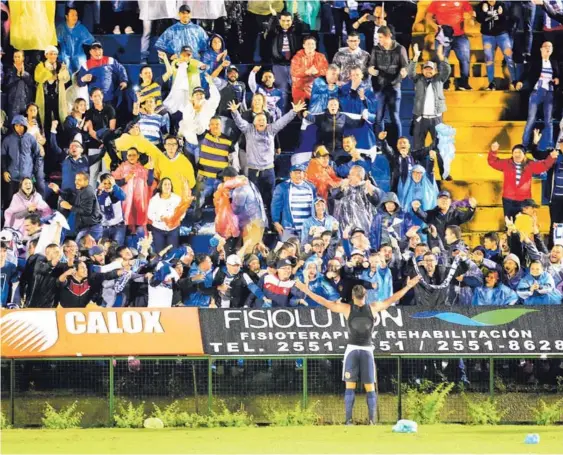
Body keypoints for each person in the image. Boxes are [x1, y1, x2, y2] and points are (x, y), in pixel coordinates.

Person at [294, 276, 420, 424]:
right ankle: (372, 421)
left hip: (352, 351)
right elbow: (392, 299)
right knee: (370, 387)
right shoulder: (373, 307)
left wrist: (305, 290)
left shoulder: (347, 308)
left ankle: (348, 421)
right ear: (365, 295)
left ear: (352, 296)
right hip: (367, 350)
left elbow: (324, 302)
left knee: (350, 387)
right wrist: (408, 286)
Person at [229, 99, 305, 214]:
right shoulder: (249, 130)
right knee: (254, 199)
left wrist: (293, 111)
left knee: (270, 199)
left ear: (267, 122)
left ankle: (271, 222)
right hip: (253, 171)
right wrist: (235, 112)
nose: (261, 121)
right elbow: (240, 122)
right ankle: (257, 223)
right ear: (254, 123)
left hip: (269, 170)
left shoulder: (271, 129)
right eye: (259, 120)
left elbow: (283, 121)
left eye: (264, 120)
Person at [488, 141, 557, 218]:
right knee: (509, 223)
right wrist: (493, 151)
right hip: (508, 199)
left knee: (524, 223)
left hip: (524, 201)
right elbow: (493, 162)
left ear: (524, 154)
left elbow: (543, 166)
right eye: (515, 152)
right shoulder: (506, 163)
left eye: (520, 152)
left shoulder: (530, 164)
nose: (517, 155)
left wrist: (551, 157)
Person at [367, 26, 408, 139]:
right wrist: (370, 70)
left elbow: (405, 66)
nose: (379, 40)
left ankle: (398, 142)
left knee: (394, 116)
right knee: (378, 117)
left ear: (388, 36)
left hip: (394, 86)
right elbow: (371, 65)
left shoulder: (400, 49)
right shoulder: (376, 49)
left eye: (381, 37)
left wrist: (404, 71)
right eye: (378, 37)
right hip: (379, 87)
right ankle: (380, 143)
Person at [408, 44, 451, 150]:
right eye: (426, 69)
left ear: (435, 70)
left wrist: (441, 57)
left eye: (431, 69)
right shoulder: (418, 79)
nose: (428, 71)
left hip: (436, 118)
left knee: (439, 147)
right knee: (418, 147)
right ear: (422, 70)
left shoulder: (439, 79)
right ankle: (419, 166)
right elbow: (410, 73)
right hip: (420, 117)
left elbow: (447, 70)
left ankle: (440, 166)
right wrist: (416, 57)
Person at [517, 41, 559, 149]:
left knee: (548, 120)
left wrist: (557, 80)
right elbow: (526, 72)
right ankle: (524, 144)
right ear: (541, 49)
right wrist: (520, 81)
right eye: (546, 46)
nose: (548, 48)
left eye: (550, 46)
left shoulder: (554, 62)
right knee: (531, 118)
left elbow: (557, 76)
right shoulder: (535, 62)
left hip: (549, 92)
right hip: (537, 91)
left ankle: (550, 145)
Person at [426, 0, 474, 90]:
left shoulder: (462, 1)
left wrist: (471, 18)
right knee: (441, 60)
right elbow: (428, 17)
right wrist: (436, 27)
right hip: (442, 36)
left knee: (465, 59)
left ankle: (463, 83)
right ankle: (444, 83)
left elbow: (471, 11)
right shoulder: (436, 2)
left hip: (460, 35)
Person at [303, 99, 368, 163]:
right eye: (331, 104)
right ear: (327, 106)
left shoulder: (343, 117)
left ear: (338, 106)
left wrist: (363, 119)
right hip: (324, 149)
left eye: (335, 104)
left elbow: (356, 124)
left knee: (345, 166)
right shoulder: (321, 117)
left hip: (339, 151)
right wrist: (304, 113)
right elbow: (310, 118)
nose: (333, 106)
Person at [264, 10, 303, 111]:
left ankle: (299, 114)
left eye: (288, 20)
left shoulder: (295, 31)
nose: (286, 23)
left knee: (298, 91)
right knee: (282, 92)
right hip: (278, 65)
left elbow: (300, 27)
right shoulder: (274, 31)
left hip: (294, 65)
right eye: (284, 20)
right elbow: (270, 31)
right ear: (279, 21)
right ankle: (282, 115)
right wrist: (273, 17)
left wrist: (296, 14)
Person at [1, 116, 44, 207]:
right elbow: (3, 156)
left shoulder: (30, 139)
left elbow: (38, 155)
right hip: (12, 177)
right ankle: (8, 221)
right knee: (10, 202)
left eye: (21, 125)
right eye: (16, 126)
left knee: (27, 204)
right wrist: (4, 171)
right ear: (13, 126)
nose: (19, 128)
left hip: (27, 178)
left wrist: (34, 171)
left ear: (25, 126)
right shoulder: (7, 140)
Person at [195, 118, 235, 215]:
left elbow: (232, 160)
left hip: (220, 178)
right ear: (208, 126)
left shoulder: (228, 141)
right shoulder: (203, 136)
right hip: (204, 177)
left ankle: (222, 225)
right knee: (199, 202)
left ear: (221, 126)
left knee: (222, 203)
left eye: (217, 124)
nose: (215, 126)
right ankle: (196, 225)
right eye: (212, 124)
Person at [112, 147, 154, 236]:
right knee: (127, 228)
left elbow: (150, 183)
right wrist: (124, 180)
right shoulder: (122, 168)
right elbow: (113, 183)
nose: (131, 157)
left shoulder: (142, 169)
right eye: (129, 155)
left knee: (140, 230)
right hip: (126, 204)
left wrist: (151, 170)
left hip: (139, 204)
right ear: (126, 156)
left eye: (134, 155)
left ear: (138, 156)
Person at [475, 1, 516, 91]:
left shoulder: (502, 4)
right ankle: (491, 83)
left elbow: (508, 19)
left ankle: (514, 81)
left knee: (509, 57)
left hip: (502, 35)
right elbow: (479, 19)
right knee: (489, 59)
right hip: (487, 36)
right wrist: (484, 12)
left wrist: (502, 14)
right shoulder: (481, 5)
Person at [52, 172, 103, 244]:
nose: (76, 182)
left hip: (91, 228)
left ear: (86, 181)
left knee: (79, 247)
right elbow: (73, 198)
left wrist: (69, 207)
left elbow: (87, 211)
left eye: (79, 180)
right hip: (87, 227)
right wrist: (58, 191)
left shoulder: (87, 192)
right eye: (76, 179)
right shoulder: (82, 189)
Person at [332, 165, 383, 235]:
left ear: (359, 176)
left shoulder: (367, 187)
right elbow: (334, 196)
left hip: (363, 227)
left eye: (351, 174)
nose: (348, 177)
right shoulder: (346, 186)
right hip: (347, 226)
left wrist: (370, 192)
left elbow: (376, 202)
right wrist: (341, 188)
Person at [271, 164, 317, 241]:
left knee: (306, 250)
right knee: (289, 249)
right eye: (295, 173)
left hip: (307, 228)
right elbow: (275, 206)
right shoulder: (282, 187)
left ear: (304, 174)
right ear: (290, 174)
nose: (297, 175)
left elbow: (315, 205)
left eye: (300, 173)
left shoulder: (311, 187)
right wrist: (276, 222)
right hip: (289, 227)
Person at [412, 190, 477, 243]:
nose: (444, 201)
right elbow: (422, 214)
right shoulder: (431, 214)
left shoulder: (456, 213)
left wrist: (472, 208)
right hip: (435, 246)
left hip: (452, 247)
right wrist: (416, 208)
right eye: (441, 199)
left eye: (446, 199)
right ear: (437, 201)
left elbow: (466, 217)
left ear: (450, 201)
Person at [34, 46, 70, 132]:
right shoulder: (41, 65)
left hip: (57, 96)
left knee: (59, 117)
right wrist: (50, 75)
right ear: (46, 55)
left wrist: (57, 75)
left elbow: (66, 78)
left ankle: (60, 139)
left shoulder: (61, 65)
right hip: (45, 96)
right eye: (50, 54)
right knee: (46, 118)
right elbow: (38, 78)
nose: (53, 56)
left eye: (55, 54)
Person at [58, 260, 122, 308]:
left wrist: (119, 272)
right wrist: (66, 274)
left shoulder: (90, 280)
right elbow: (60, 281)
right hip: (64, 315)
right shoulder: (69, 281)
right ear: (75, 270)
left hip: (83, 314)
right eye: (83, 267)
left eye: (86, 267)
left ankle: (118, 281)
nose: (86, 270)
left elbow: (106, 275)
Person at [56, 6, 95, 74]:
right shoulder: (61, 28)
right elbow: (56, 42)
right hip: (64, 56)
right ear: (67, 16)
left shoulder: (81, 28)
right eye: (72, 15)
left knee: (82, 71)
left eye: (76, 15)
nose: (75, 17)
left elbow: (91, 40)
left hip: (79, 55)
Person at [148, 177, 182, 253]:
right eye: (165, 184)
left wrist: (176, 219)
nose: (167, 186)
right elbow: (150, 214)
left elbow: (182, 212)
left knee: (173, 253)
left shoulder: (177, 199)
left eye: (169, 184)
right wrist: (160, 218)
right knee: (159, 252)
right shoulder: (154, 199)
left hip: (173, 229)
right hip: (158, 229)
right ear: (161, 186)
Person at [290, 35, 329, 102]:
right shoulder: (297, 57)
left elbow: (326, 70)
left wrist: (317, 72)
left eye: (312, 44)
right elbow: (294, 72)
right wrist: (306, 71)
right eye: (308, 44)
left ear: (315, 46)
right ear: (303, 45)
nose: (310, 46)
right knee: (299, 109)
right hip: (299, 88)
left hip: (316, 87)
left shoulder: (321, 56)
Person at [138, 0, 177, 64]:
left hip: (162, 6)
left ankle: (163, 57)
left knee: (163, 32)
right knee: (147, 32)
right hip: (148, 7)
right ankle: (143, 57)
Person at [3, 51, 35, 121]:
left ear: (23, 58)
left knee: (25, 119)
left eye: (19, 57)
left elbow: (31, 83)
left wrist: (23, 74)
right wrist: (16, 75)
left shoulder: (29, 68)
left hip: (25, 98)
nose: (17, 59)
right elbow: (6, 84)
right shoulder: (9, 69)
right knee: (13, 119)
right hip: (13, 98)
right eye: (15, 57)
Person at [97, 173, 126, 244]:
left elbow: (123, 197)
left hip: (118, 226)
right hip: (104, 227)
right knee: (102, 248)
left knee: (116, 247)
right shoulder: (98, 193)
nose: (107, 185)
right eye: (105, 183)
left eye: (109, 183)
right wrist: (99, 190)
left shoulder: (117, 191)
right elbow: (96, 203)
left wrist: (114, 185)